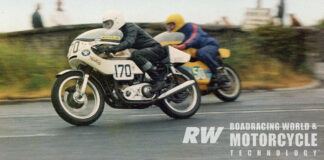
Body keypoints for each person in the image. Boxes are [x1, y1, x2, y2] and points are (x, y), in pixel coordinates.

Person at [95, 10, 167, 92]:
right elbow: (112, 43)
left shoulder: (130, 27)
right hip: (145, 51)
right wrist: (100, 48)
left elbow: (129, 42)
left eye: (108, 24)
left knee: (136, 55)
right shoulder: (118, 33)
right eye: (105, 25)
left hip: (155, 48)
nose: (107, 27)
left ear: (117, 21)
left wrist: (113, 49)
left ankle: (159, 80)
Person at [165, 13, 228, 84]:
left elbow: (194, 37)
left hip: (208, 45)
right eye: (168, 25)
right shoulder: (174, 34)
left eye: (171, 25)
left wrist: (184, 45)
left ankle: (217, 73)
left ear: (178, 23)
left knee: (201, 53)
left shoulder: (190, 26)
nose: (170, 27)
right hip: (192, 50)